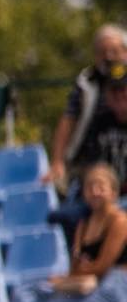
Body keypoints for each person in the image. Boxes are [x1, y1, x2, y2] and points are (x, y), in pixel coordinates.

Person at [27, 162, 127, 302]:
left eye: (100, 186)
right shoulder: (83, 225)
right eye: (89, 186)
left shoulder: (120, 221)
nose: (94, 192)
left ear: (113, 192)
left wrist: (83, 269)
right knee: (34, 292)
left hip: (117, 286)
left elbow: (103, 266)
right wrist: (63, 279)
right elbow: (75, 267)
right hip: (92, 285)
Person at [49, 25, 127, 192]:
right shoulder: (87, 82)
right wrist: (58, 162)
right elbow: (68, 119)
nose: (109, 57)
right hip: (90, 163)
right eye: (102, 52)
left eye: (114, 50)